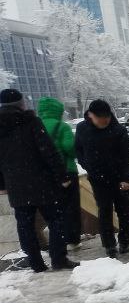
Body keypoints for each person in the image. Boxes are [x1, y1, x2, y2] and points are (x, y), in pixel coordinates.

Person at [0, 88, 77, 271]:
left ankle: (36, 263)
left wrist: (2, 184)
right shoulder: (31, 122)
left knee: (25, 224)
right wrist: (62, 175)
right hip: (41, 181)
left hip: (16, 184)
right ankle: (59, 259)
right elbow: (48, 151)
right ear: (20, 104)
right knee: (56, 219)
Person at [76, 99, 129, 258]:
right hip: (98, 179)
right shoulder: (83, 129)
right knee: (104, 210)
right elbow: (78, 151)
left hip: (120, 179)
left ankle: (125, 241)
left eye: (107, 117)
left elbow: (128, 157)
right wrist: (87, 166)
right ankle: (109, 244)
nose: (104, 120)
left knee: (124, 210)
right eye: (100, 118)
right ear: (90, 115)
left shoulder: (119, 131)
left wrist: (127, 178)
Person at [37, 96, 82, 248]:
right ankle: (72, 239)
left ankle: (59, 238)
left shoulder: (35, 126)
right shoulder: (62, 126)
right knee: (71, 206)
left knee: (55, 208)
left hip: (46, 175)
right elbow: (70, 148)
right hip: (67, 171)